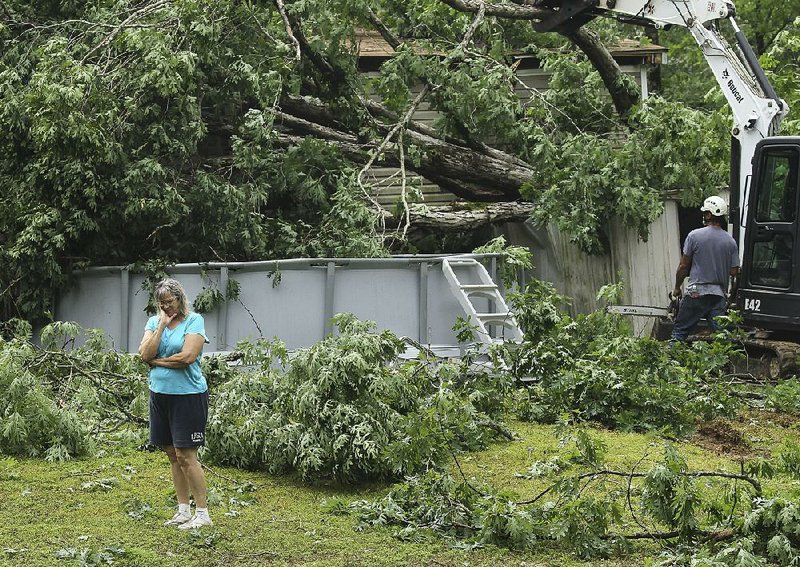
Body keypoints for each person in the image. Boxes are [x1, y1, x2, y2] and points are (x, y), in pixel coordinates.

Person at [138, 278, 213, 529]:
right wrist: (161, 325)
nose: (166, 307)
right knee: (172, 454)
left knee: (186, 455)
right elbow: (144, 354)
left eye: (169, 303)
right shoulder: (154, 321)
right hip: (160, 394)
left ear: (180, 299)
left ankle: (202, 514)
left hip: (188, 396)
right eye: (162, 304)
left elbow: (187, 357)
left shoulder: (195, 321)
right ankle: (183, 510)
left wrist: (158, 362)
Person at [671, 196, 740, 342]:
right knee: (722, 337)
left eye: (705, 213)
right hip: (718, 296)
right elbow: (734, 271)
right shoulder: (730, 241)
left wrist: (677, 287)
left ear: (709, 215)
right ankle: (725, 364)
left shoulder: (694, 236)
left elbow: (683, 266)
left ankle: (671, 362)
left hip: (697, 292)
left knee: (679, 332)